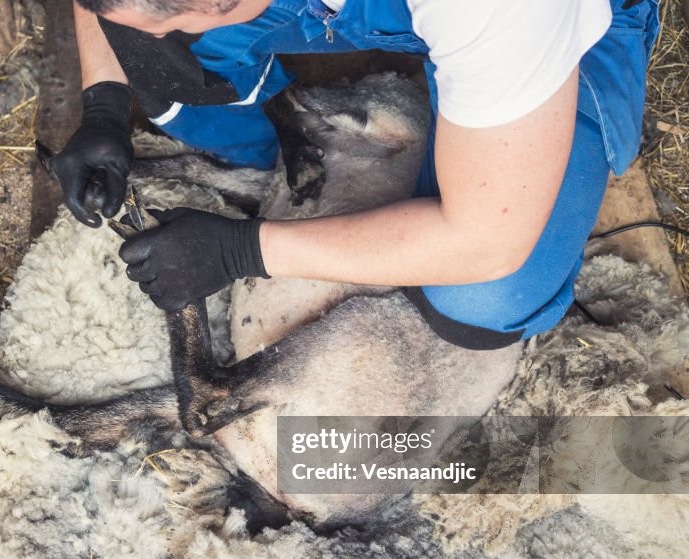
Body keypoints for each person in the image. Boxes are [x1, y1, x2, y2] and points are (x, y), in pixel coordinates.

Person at [48, 0, 660, 350]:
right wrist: (104, 105)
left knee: (483, 296)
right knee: (162, 69)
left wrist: (241, 251)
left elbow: (486, 243)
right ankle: (284, 139)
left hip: (549, 32)